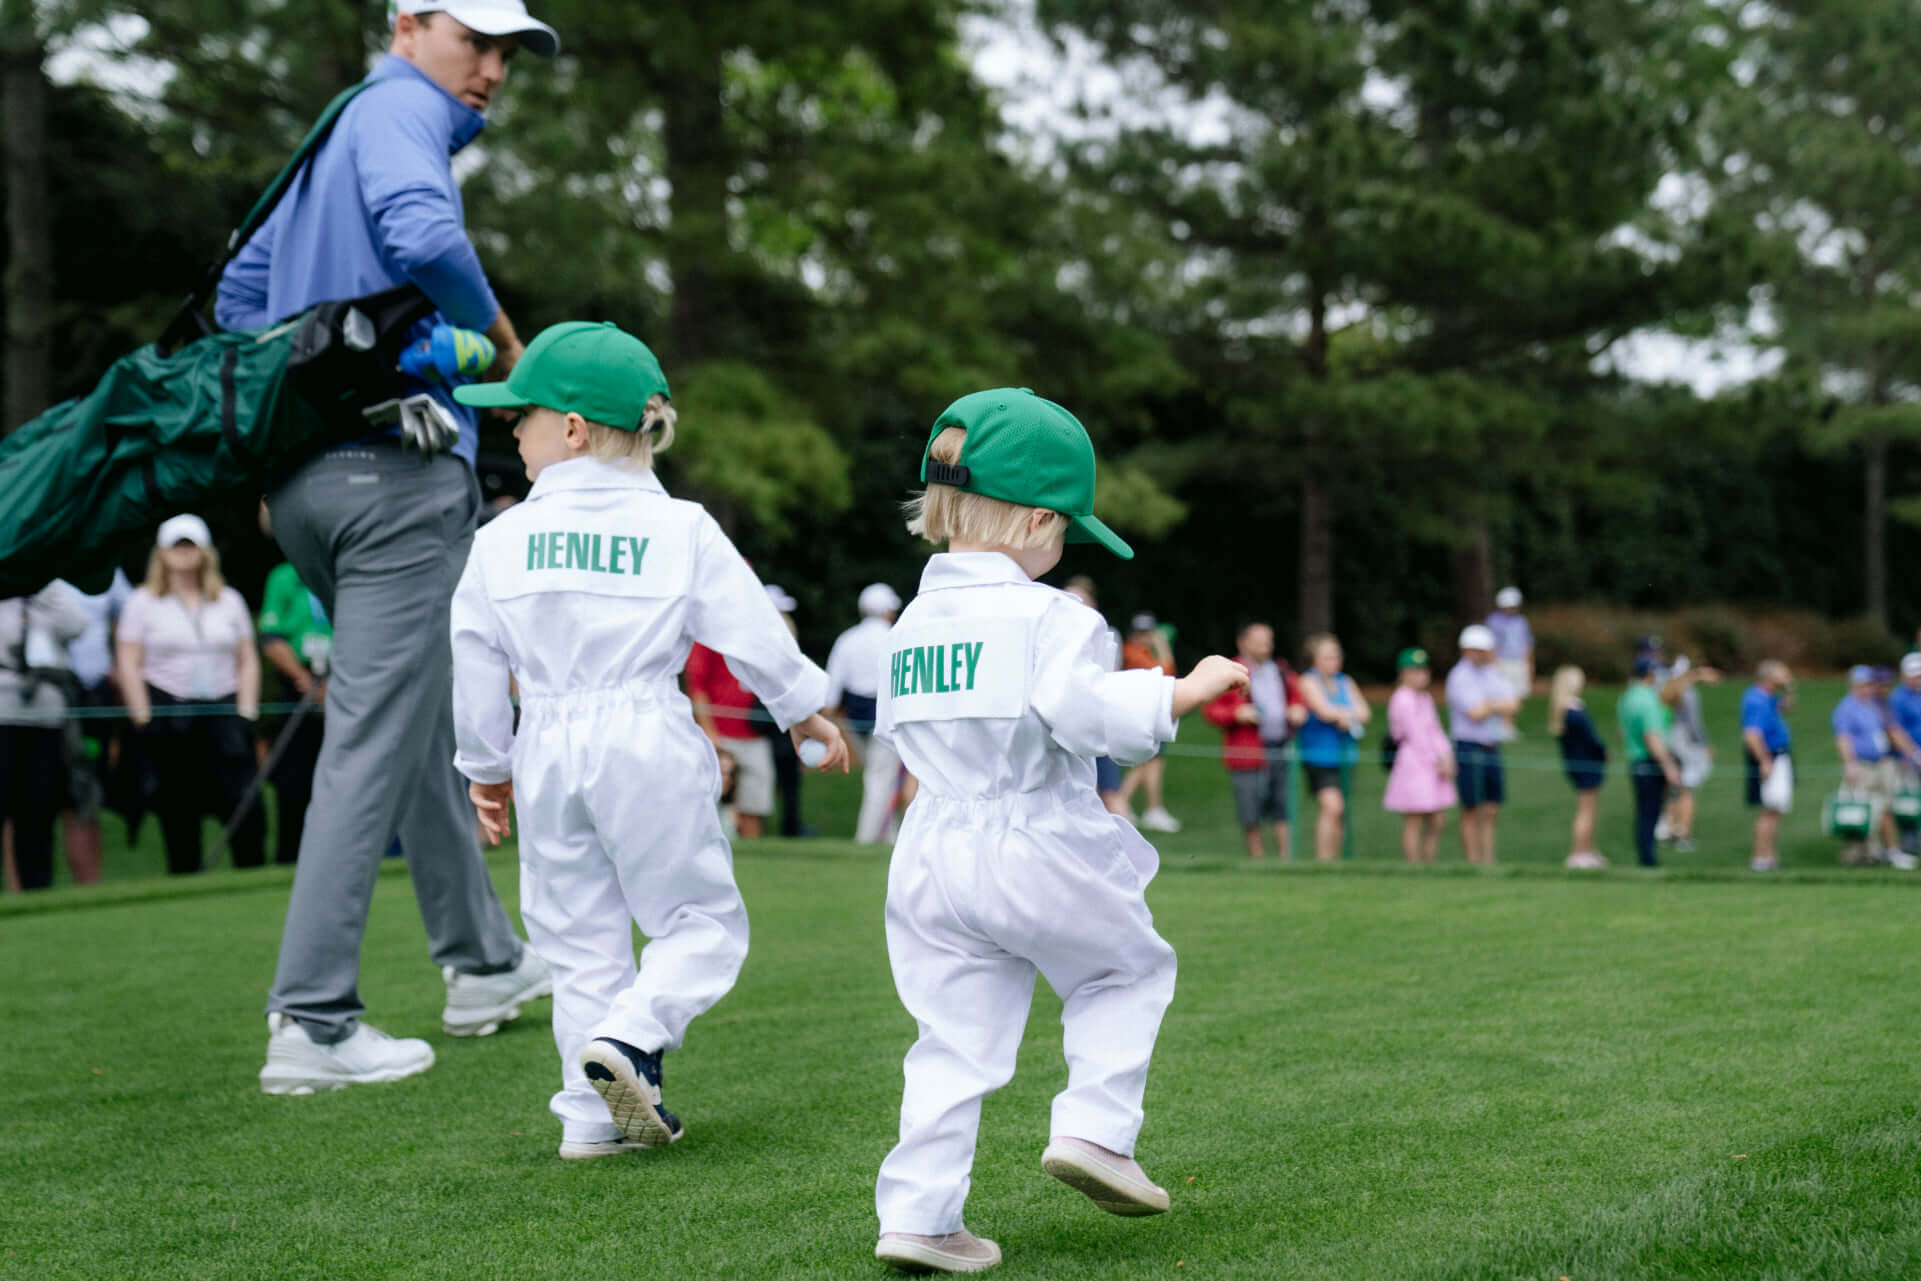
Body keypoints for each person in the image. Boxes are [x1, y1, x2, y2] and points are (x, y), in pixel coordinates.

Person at [227, 1, 560, 1095]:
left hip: (306, 486)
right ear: (408, 25)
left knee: (409, 719)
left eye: (507, 52)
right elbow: (424, 237)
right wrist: (504, 343)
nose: (493, 68)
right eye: (476, 40)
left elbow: (239, 294)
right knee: (374, 734)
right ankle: (313, 1020)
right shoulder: (402, 108)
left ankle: (484, 962)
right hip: (397, 481)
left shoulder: (335, 129)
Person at [869, 388, 1249, 1275]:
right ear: (1039, 519)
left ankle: (919, 1216)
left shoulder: (910, 624)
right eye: (1066, 531)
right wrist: (1179, 690)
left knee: (949, 1037)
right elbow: (1084, 714)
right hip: (1032, 830)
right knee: (1123, 970)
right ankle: (1095, 1132)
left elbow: (899, 732)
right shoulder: (1053, 616)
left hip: (930, 848)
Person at [449, 321, 847, 1158]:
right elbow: (749, 626)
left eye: (520, 415)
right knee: (699, 920)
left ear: (571, 429)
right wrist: (800, 705)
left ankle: (590, 1117)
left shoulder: (496, 541)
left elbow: (475, 663)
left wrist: (486, 768)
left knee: (576, 939)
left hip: (545, 742)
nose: (508, 430)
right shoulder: (680, 526)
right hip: (644, 734)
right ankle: (632, 1037)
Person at [113, 516, 266, 875]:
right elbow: (128, 661)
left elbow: (247, 659)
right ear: (161, 553)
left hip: (224, 713)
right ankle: (187, 879)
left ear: (205, 552)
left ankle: (254, 879)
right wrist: (142, 716)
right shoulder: (142, 601)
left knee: (245, 808)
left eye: (190, 545)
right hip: (170, 715)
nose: (184, 553)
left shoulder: (229, 600)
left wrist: (246, 712)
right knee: (178, 811)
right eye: (176, 546)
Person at [256, 505, 334, 866]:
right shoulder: (283, 576)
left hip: (343, 684)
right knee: (294, 781)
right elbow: (271, 638)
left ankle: (336, 859)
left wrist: (335, 682)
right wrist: (305, 681)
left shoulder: (338, 572)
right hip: (297, 687)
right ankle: (290, 859)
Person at [1, 582, 90, 891]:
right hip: (3, 708)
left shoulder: (50, 587)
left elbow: (77, 624)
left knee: (38, 807)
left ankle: (37, 890)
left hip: (47, 714)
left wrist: (41, 587)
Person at [1203, 621, 1301, 860]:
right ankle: (1258, 861)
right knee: (1250, 806)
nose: (1264, 646)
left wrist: (1297, 709)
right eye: (1258, 642)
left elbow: (1297, 699)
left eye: (1267, 641)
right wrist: (1236, 714)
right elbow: (1210, 708)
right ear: (1243, 643)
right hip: (1246, 751)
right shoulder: (1230, 672)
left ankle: (1286, 859)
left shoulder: (1281, 671)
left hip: (1279, 746)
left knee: (1282, 804)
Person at [59, 570, 132, 885]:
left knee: (85, 792)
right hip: (40, 696)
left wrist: (120, 665)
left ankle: (90, 887)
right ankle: (24, 891)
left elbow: (129, 615)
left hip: (94, 694)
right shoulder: (28, 555)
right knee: (27, 798)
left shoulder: (103, 563)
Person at [826, 582, 905, 843]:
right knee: (880, 777)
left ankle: (887, 834)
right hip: (887, 714)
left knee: (877, 774)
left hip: (854, 716)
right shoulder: (895, 636)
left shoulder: (847, 639)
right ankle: (867, 837)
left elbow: (832, 688)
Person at [685, 640, 776, 838]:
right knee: (712, 804)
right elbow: (697, 683)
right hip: (720, 735)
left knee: (753, 806)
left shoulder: (758, 634)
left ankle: (752, 853)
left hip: (756, 736)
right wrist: (708, 731)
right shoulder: (708, 637)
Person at [1830, 665, 1918, 867]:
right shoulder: (1846, 708)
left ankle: (1891, 851)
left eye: (1870, 684)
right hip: (1862, 766)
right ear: (1853, 685)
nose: (1868, 688)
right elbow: (1843, 739)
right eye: (1863, 685)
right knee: (1863, 811)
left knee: (1885, 808)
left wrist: (1913, 753)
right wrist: (1849, 764)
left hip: (1882, 763)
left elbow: (1893, 731)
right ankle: (1865, 854)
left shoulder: (1875, 706)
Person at [1446, 624, 1516, 865]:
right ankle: (1473, 862)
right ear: (1465, 649)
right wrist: (1496, 705)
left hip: (1490, 744)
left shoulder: (1491, 673)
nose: (1479, 654)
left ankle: (1488, 860)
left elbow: (1513, 704)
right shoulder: (1459, 676)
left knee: (1491, 808)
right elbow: (1475, 713)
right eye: (1475, 649)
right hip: (1467, 745)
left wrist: (1489, 705)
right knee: (1470, 807)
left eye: (1483, 650)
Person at [1295, 633, 1369, 863]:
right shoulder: (1307, 681)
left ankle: (1336, 864)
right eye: (1327, 656)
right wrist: (1346, 714)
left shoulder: (1345, 681)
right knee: (1332, 807)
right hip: (1319, 757)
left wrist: (1343, 715)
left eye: (1336, 655)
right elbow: (1324, 712)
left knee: (1341, 811)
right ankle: (1323, 861)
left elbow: (1365, 713)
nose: (1334, 661)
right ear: (1314, 659)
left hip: (1345, 757)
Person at [1382, 648, 1455, 865]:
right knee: (1415, 817)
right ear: (1404, 673)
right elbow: (1416, 735)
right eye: (1415, 671)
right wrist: (1437, 759)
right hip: (1413, 763)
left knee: (1437, 818)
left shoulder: (1425, 698)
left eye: (1423, 670)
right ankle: (1413, 864)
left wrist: (1446, 755)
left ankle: (1429, 861)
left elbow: (1435, 730)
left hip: (1433, 764)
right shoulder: (1401, 699)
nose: (1421, 675)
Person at [1063, 576, 1128, 818]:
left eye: (1081, 601)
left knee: (1111, 792)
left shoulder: (1106, 634)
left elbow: (1107, 676)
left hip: (1099, 720)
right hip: (1065, 725)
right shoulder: (1053, 635)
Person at [1117, 614, 1181, 832]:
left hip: (1148, 712)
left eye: (1148, 633)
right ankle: (1123, 805)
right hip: (1138, 713)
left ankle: (1147, 808)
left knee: (1151, 763)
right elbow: (1166, 674)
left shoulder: (1143, 652)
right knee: (1144, 763)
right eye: (1141, 633)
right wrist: (1163, 647)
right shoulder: (1130, 652)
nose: (1144, 637)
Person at [1617, 657, 1681, 868]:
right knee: (1650, 814)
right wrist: (1669, 767)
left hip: (1635, 760)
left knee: (1644, 813)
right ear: (1650, 675)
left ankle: (1646, 857)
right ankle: (1648, 860)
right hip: (1649, 762)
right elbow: (1652, 737)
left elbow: (1621, 732)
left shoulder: (1626, 698)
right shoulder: (1648, 700)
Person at [1658, 655, 1721, 853]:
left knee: (1673, 788)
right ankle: (1683, 835)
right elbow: (1694, 724)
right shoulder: (1688, 693)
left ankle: (1670, 828)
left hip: (1671, 741)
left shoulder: (1665, 689)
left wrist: (1699, 675)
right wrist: (1704, 746)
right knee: (1687, 790)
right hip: (1688, 744)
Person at [1549, 666, 1607, 868]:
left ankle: (1587, 850)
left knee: (1588, 809)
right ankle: (1579, 853)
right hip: (1586, 766)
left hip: (1579, 766)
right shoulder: (1574, 713)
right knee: (1586, 810)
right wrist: (1603, 751)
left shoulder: (1565, 711)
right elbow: (1592, 740)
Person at [1741, 660, 1794, 872]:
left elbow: (1787, 707)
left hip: (1777, 756)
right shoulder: (1757, 699)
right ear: (1769, 676)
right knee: (1768, 810)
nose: (1787, 675)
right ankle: (1761, 858)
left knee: (1775, 809)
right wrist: (1764, 761)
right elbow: (1751, 735)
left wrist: (1788, 687)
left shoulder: (1769, 697)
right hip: (1768, 757)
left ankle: (1770, 856)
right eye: (1783, 673)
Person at [1486, 586, 1533, 714]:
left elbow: (1527, 643)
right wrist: (1493, 663)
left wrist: (1529, 663)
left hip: (1519, 662)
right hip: (1502, 661)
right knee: (1503, 694)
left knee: (1516, 695)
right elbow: (1491, 644)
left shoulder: (1521, 621)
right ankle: (1504, 723)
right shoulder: (1493, 621)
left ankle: (1510, 723)